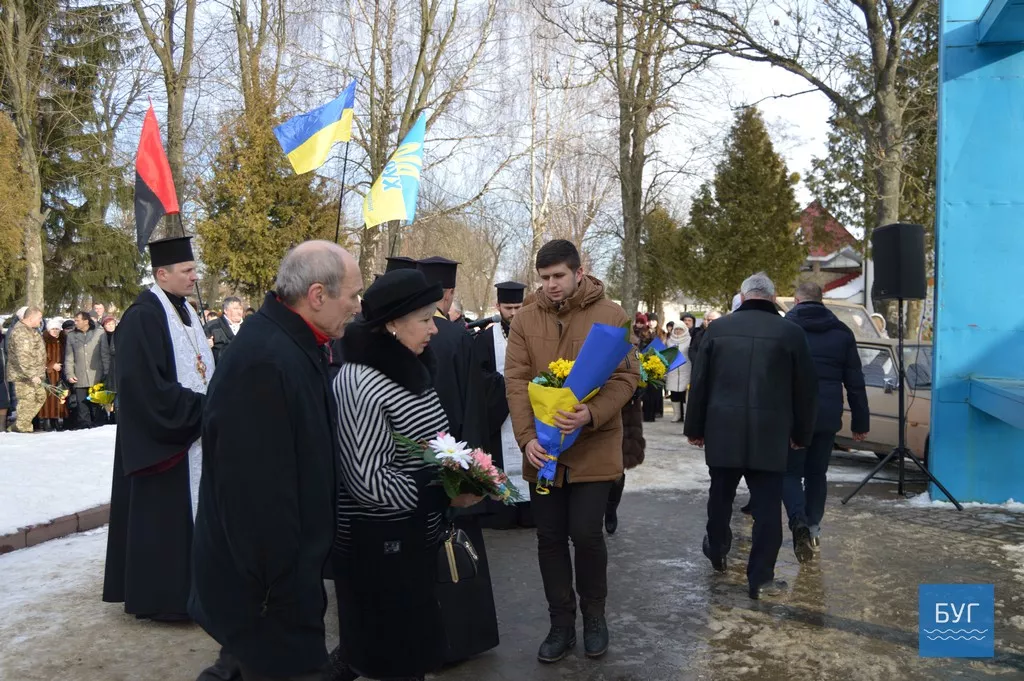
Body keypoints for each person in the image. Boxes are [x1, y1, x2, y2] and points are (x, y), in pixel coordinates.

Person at [190, 241, 362, 681]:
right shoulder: (266, 361)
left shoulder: (292, 344)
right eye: (353, 296)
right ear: (318, 296)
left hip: (282, 584)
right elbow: (254, 499)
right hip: (268, 593)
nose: (357, 307)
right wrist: (275, 593)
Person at [330, 269, 484, 681]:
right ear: (392, 324)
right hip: (379, 548)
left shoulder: (410, 369)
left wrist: (465, 472)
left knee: (412, 655)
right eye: (424, 319)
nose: (435, 329)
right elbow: (368, 482)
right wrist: (443, 495)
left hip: (413, 540)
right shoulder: (360, 381)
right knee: (393, 660)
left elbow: (432, 444)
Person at [504, 239, 638, 662]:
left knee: (585, 533)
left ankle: (594, 617)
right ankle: (560, 623)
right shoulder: (525, 319)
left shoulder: (611, 315)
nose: (551, 285)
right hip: (544, 451)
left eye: (558, 276)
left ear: (579, 272)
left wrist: (590, 413)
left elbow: (626, 378)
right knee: (549, 538)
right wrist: (527, 440)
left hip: (594, 447)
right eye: (544, 278)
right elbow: (516, 381)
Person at [102, 236, 216, 621]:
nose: (194, 277)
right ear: (161, 273)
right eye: (186, 271)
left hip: (194, 434)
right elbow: (144, 389)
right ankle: (168, 601)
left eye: (193, 269)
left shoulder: (184, 310)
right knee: (167, 527)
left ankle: (201, 592)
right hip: (167, 444)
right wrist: (204, 409)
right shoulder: (144, 316)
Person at [684, 272, 817, 600]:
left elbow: (700, 383)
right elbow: (806, 391)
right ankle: (760, 579)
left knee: (720, 497)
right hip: (770, 436)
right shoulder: (791, 333)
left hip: (722, 430)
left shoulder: (717, 329)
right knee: (768, 508)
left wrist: (695, 428)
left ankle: (716, 548)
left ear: (742, 298)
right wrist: (802, 434)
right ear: (773, 299)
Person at [415, 255, 498, 664]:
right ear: (447, 293)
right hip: (454, 458)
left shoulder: (392, 337)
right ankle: (461, 639)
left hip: (410, 463)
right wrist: (474, 474)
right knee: (457, 553)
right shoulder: (457, 337)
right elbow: (474, 409)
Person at [783, 282, 869, 559]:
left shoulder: (786, 329)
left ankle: (798, 520)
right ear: (822, 301)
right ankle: (814, 527)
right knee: (817, 473)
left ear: (797, 301)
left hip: (794, 414)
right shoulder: (842, 332)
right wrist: (860, 422)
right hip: (828, 414)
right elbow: (855, 382)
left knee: (791, 472)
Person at [475, 281, 532, 530]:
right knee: (501, 460)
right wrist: (505, 386)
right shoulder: (487, 337)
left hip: (530, 412)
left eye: (518, 307)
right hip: (499, 415)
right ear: (498, 306)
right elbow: (478, 375)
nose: (514, 313)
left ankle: (531, 513)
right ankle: (503, 513)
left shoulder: (534, 335)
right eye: (508, 307)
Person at [604, 388, 645, 534]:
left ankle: (611, 508)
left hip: (625, 404)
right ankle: (596, 510)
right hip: (595, 399)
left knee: (619, 462)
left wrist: (639, 385)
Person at [65, 311, 109, 428]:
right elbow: (69, 357)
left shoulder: (99, 333)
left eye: (77, 320)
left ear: (86, 321)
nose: (75, 323)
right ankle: (84, 429)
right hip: (79, 377)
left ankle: (98, 427)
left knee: (96, 406)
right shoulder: (71, 336)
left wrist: (107, 372)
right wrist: (69, 374)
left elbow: (104, 354)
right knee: (82, 407)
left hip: (96, 376)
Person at [6, 308, 47, 433]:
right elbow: (23, 357)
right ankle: (24, 430)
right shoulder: (21, 332)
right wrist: (32, 374)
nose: (41, 321)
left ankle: (18, 425)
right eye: (39, 318)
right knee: (27, 401)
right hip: (24, 376)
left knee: (41, 396)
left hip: (35, 374)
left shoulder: (31, 331)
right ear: (30, 318)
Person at [39, 318, 68, 431]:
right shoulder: (43, 341)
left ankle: (57, 419)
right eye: (53, 329)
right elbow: (40, 357)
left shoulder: (63, 340)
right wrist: (51, 365)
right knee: (48, 398)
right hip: (48, 374)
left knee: (60, 396)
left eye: (57, 329)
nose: (55, 331)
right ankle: (47, 420)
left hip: (61, 374)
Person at [665, 321, 691, 423]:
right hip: (673, 370)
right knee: (674, 393)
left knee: (685, 394)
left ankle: (685, 415)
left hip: (686, 369)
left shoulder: (690, 340)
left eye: (681, 329)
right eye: (676, 329)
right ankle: (676, 414)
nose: (678, 331)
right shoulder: (669, 341)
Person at [204, 296, 244, 363]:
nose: (239, 312)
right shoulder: (211, 326)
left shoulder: (248, 327)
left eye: (241, 309)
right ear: (225, 310)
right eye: (235, 308)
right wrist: (206, 345)